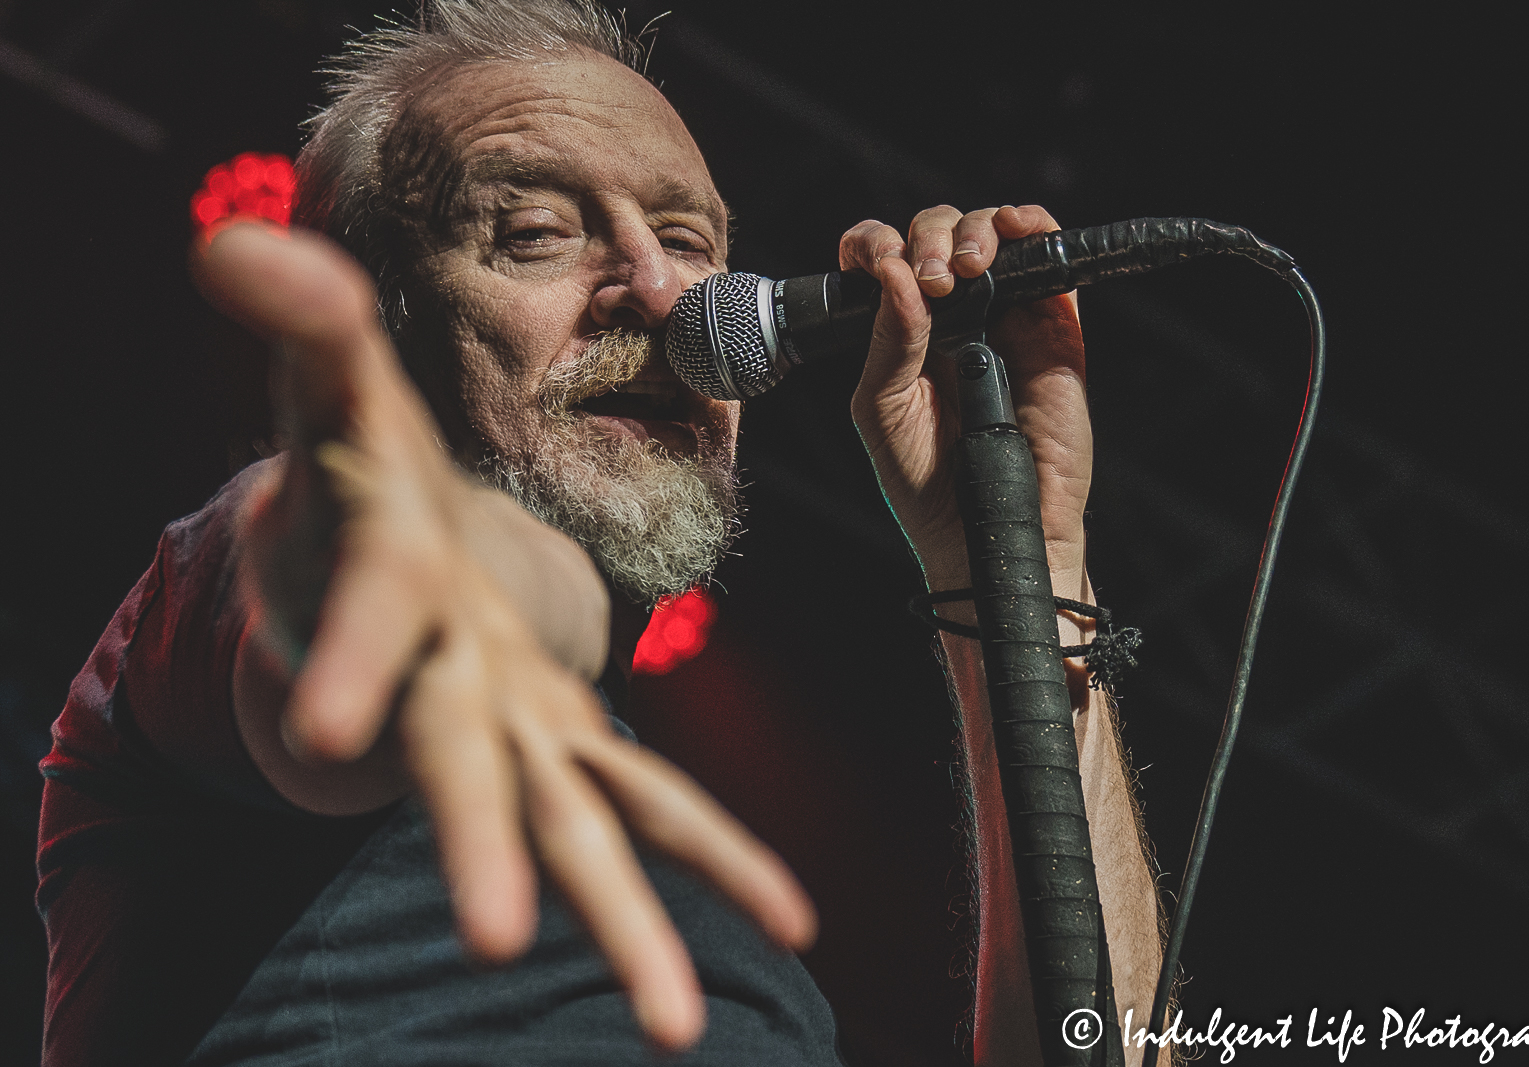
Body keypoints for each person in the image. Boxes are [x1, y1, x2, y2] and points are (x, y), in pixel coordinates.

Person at [35, 1, 1163, 1063]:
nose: (663, 296)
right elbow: (338, 571)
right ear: (380, 322)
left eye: (689, 239)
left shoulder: (697, 905)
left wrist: (1017, 559)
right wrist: (514, 582)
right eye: (533, 233)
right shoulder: (232, 584)